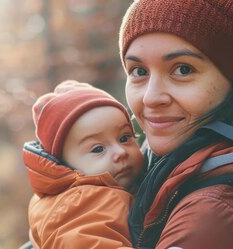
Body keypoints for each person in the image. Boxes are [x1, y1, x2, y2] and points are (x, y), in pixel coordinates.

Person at [118, 0, 233, 248]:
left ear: (231, 79)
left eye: (183, 69)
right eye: (138, 71)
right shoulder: (159, 160)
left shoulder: (213, 214)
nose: (151, 97)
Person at [22, 80, 143, 249]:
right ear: (64, 164)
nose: (120, 152)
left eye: (124, 138)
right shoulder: (81, 204)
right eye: (98, 149)